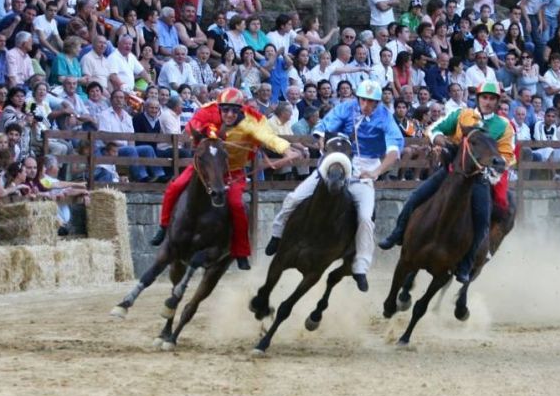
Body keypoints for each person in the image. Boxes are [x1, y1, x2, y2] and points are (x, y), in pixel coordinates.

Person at [265, 79, 403, 292]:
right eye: (363, 100)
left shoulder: (386, 117)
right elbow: (324, 125)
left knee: (366, 217)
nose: (365, 105)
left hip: (365, 167)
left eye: (371, 102)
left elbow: (394, 150)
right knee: (295, 197)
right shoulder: (347, 107)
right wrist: (320, 137)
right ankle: (277, 234)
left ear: (377, 102)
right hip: (338, 159)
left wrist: (376, 172)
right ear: (358, 98)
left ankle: (361, 265)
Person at [150, 88, 303, 267]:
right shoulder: (208, 112)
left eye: (234, 110)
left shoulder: (252, 122)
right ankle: (163, 226)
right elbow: (193, 126)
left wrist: (286, 149)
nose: (229, 114)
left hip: (233, 171)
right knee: (175, 186)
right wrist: (200, 133)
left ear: (241, 110)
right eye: (225, 110)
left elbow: (268, 138)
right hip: (206, 166)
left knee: (237, 205)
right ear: (219, 108)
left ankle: (241, 251)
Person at [380, 81, 515, 282]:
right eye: (484, 97)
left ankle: (466, 263)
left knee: (482, 221)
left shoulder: (504, 126)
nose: (487, 102)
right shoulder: (462, 114)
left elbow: (508, 155)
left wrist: (494, 166)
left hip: (479, 179)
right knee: (416, 196)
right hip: (451, 171)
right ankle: (397, 234)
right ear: (478, 98)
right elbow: (434, 128)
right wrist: (441, 140)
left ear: (497, 102)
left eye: (492, 99)